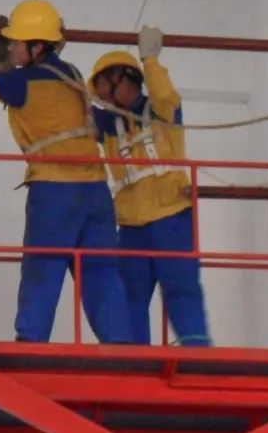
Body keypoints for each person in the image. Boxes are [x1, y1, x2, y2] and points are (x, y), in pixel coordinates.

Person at [0, 0, 132, 344]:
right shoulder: (71, 74)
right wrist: (1, 55)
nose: (12, 47)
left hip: (55, 190)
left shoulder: (24, 82)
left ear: (37, 46)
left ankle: (30, 343)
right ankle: (122, 346)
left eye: (16, 42)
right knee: (101, 272)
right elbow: (17, 87)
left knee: (43, 267)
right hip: (95, 191)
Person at [89, 26, 211, 346]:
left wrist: (150, 60)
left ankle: (196, 351)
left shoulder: (161, 111)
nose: (101, 96)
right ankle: (135, 359)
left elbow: (164, 93)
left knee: (181, 289)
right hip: (131, 226)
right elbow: (71, 112)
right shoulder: (109, 125)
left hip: (172, 216)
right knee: (128, 297)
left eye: (104, 85)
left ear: (123, 78)